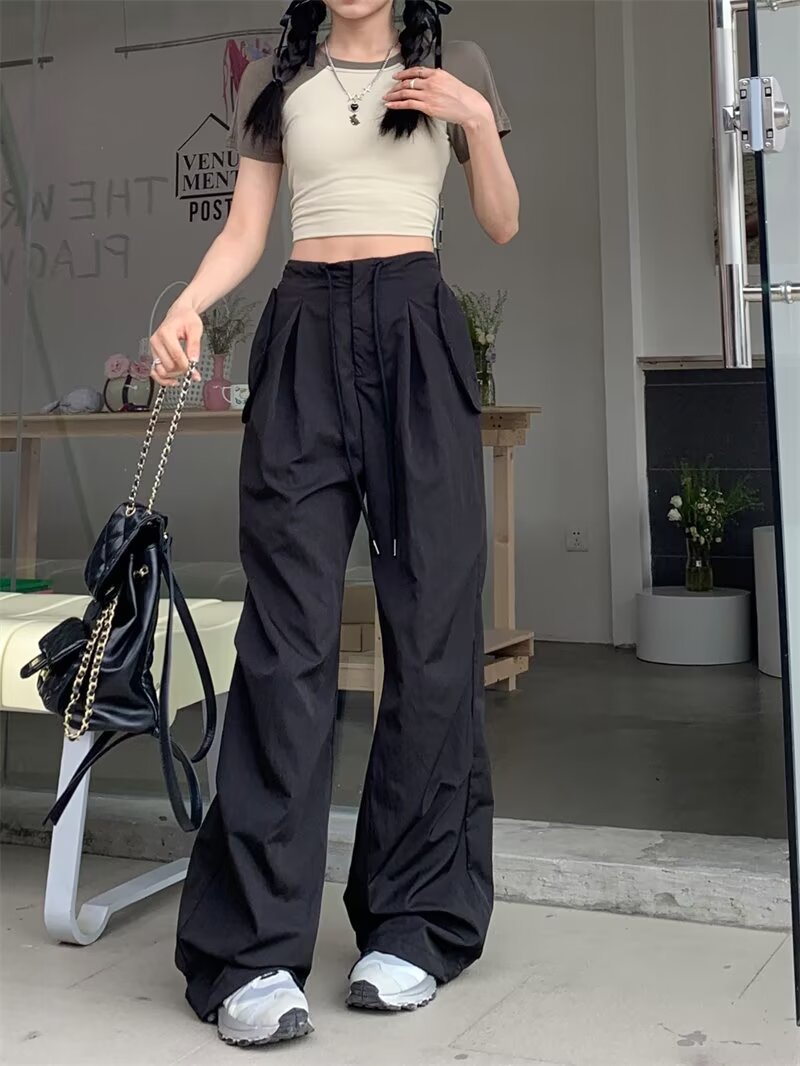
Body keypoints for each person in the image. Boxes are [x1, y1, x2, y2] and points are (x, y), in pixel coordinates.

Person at [150, 0, 518, 1050]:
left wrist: (474, 120)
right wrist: (186, 303)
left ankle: (414, 920)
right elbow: (246, 230)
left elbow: (500, 221)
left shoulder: (456, 64)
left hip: (415, 326)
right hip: (305, 330)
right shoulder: (275, 80)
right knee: (286, 642)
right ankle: (252, 949)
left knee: (434, 633)